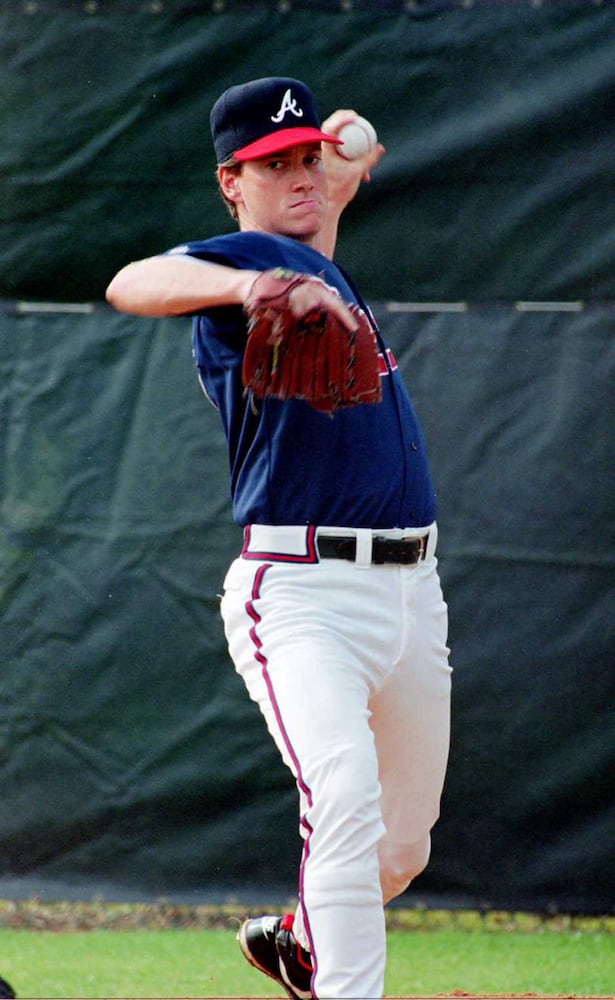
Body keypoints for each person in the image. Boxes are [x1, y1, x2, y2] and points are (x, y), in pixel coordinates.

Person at [106, 77, 452, 1000]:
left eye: (302, 159)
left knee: (401, 845)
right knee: (339, 794)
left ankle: (302, 947)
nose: (296, 176)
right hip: (300, 593)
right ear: (231, 183)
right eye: (271, 165)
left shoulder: (314, 257)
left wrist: (335, 167)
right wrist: (249, 281)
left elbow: (319, 202)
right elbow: (131, 281)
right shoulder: (248, 258)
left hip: (414, 592)